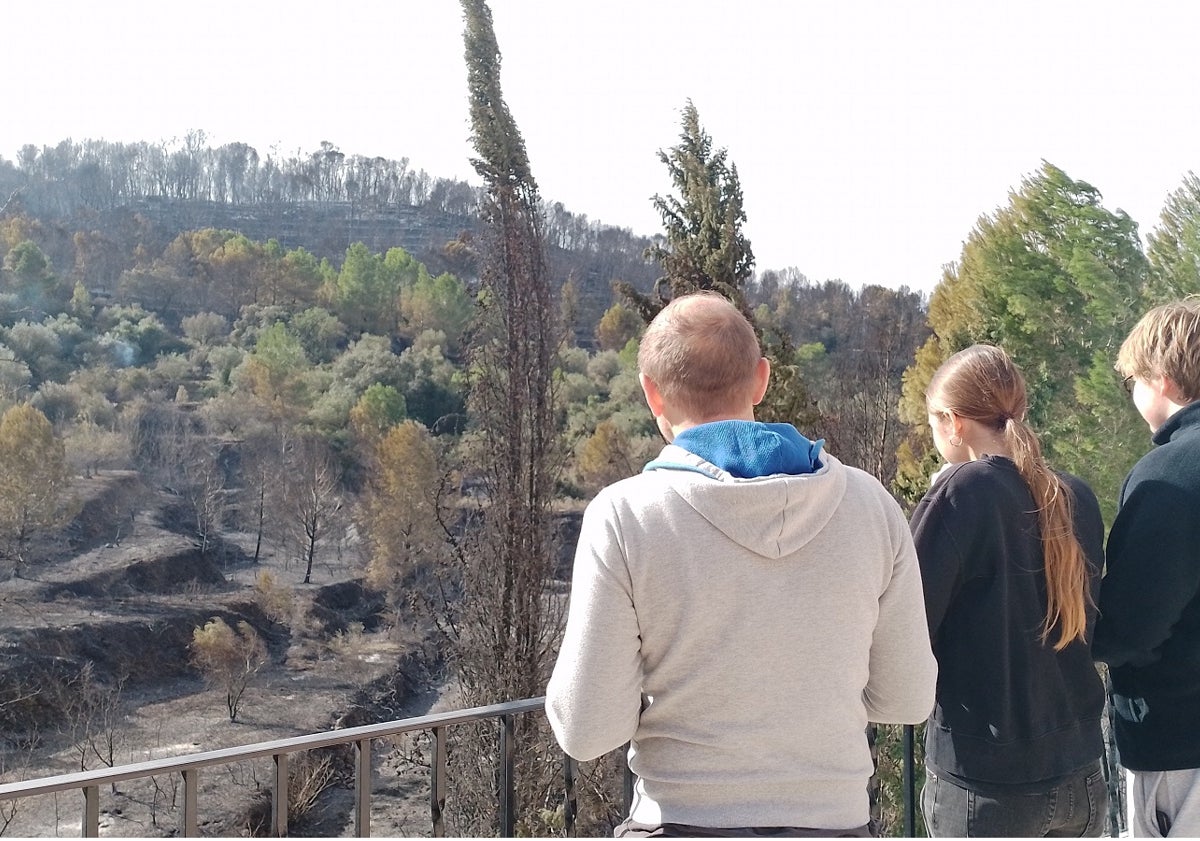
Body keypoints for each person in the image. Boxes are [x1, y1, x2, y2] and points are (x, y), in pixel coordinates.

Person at [545, 292, 937, 837]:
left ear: (651, 393)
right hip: (837, 822)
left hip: (682, 820)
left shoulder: (625, 516)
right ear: (761, 379)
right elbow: (909, 698)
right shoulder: (870, 506)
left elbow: (585, 731)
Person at [910, 344, 1108, 837]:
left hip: (988, 780)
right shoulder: (1074, 494)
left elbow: (907, 623)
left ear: (954, 422)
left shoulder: (960, 493)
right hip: (1081, 771)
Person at [1093, 299, 1200, 837]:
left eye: (1132, 378)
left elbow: (1132, 625)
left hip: (1180, 740)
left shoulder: (1171, 473)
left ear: (1161, 380)